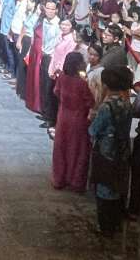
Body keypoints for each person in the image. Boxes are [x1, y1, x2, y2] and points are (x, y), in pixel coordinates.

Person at [89, 65, 135, 236]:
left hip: (106, 150)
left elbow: (93, 130)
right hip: (122, 148)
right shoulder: (127, 104)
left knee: (104, 186)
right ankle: (116, 222)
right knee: (118, 184)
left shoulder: (106, 107)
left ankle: (105, 226)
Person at [51, 51, 94, 192]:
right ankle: (75, 180)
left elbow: (56, 92)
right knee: (77, 150)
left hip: (63, 117)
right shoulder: (81, 83)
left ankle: (59, 178)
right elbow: (90, 101)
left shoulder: (62, 78)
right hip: (78, 119)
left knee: (61, 147)